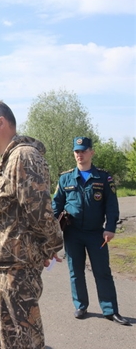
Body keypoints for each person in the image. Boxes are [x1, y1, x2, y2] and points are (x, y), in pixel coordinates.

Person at [0, 99, 64, 349]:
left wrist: (50, 247)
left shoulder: (23, 157)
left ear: (0, 122)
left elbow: (40, 213)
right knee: (10, 341)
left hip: (18, 269)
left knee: (25, 342)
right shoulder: (4, 160)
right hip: (4, 266)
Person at [52, 137, 130, 326]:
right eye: (77, 151)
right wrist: (50, 231)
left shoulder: (104, 177)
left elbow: (111, 205)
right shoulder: (66, 178)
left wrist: (110, 228)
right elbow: (56, 206)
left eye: (84, 151)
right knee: (75, 271)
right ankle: (81, 305)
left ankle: (110, 310)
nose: (80, 155)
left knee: (102, 271)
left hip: (96, 233)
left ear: (91, 152)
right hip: (73, 233)